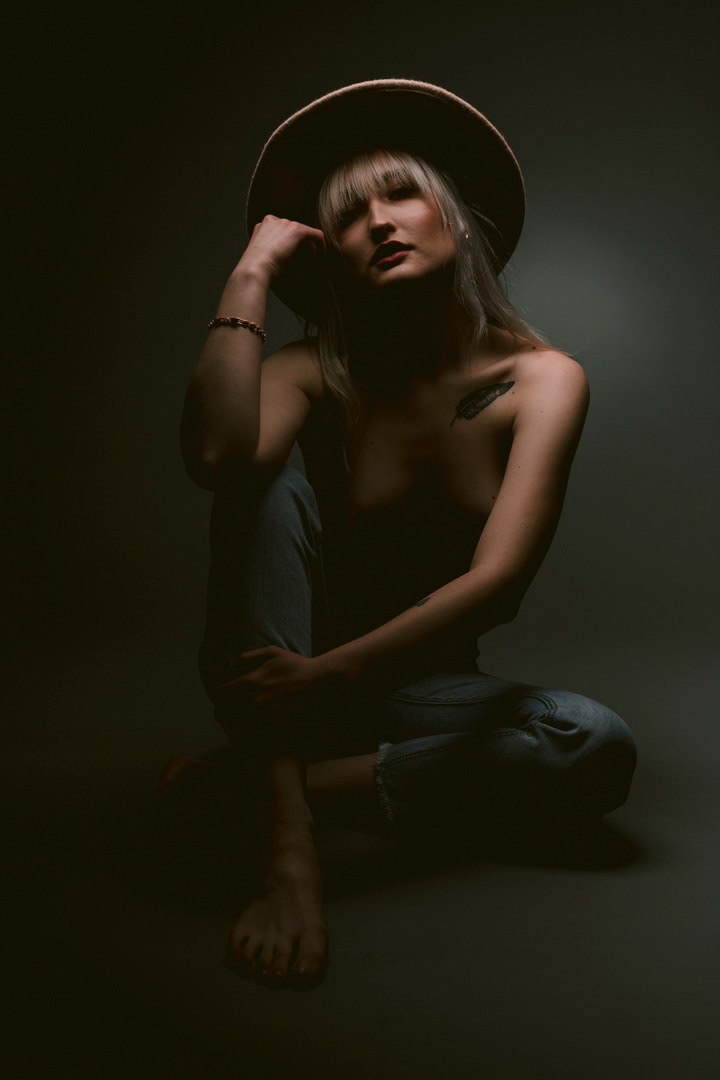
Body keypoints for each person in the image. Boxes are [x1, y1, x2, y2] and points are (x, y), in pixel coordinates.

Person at [178, 80, 637, 988]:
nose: (379, 223)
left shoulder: (543, 379)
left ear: (455, 218)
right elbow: (219, 456)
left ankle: (259, 786)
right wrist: (252, 272)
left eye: (401, 195)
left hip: (407, 686)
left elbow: (499, 584)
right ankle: (289, 852)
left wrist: (337, 674)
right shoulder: (312, 370)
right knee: (266, 489)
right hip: (280, 663)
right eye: (347, 216)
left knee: (591, 741)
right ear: (329, 252)